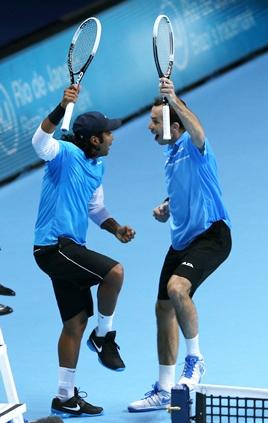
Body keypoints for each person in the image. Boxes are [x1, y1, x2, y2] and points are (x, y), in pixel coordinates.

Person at [128, 77, 231, 412]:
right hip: (182, 241)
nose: (149, 127)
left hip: (212, 235)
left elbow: (197, 130)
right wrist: (167, 206)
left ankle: (195, 359)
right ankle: (165, 388)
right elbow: (184, 188)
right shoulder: (172, 155)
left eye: (156, 121)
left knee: (177, 288)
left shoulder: (194, 145)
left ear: (175, 123)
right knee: (162, 309)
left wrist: (175, 101)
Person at [32, 84, 135, 417]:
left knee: (75, 322)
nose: (113, 138)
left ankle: (64, 395)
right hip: (53, 247)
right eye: (108, 134)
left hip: (71, 247)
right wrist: (62, 106)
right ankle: (104, 337)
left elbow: (95, 208)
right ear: (94, 140)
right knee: (114, 272)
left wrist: (116, 228)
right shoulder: (63, 153)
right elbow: (39, 142)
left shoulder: (97, 166)